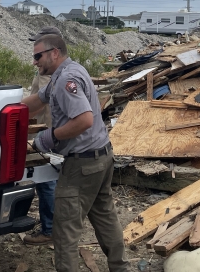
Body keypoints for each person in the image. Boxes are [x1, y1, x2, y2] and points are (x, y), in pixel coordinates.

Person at [22, 33, 128, 272]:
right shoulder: (68, 71)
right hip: (101, 157)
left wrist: (48, 137)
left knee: (65, 231)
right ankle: (120, 268)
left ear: (54, 53)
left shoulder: (66, 79)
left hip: (83, 165)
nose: (34, 61)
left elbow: (84, 120)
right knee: (106, 218)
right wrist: (7, 108)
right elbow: (40, 99)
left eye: (38, 56)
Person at [23, 27, 61, 246]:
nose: (35, 56)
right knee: (49, 181)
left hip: (51, 133)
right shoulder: (48, 70)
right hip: (48, 131)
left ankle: (50, 231)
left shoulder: (52, 73)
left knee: (47, 182)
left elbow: (41, 103)